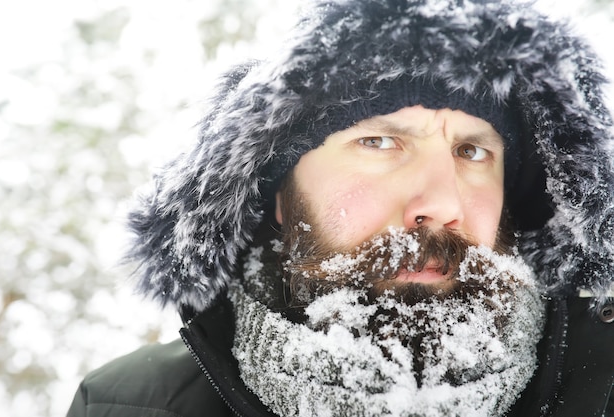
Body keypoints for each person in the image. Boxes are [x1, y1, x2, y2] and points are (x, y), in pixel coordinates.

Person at [67, 0, 614, 416]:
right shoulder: (127, 404)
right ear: (278, 193)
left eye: (471, 152)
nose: (443, 204)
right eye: (379, 143)